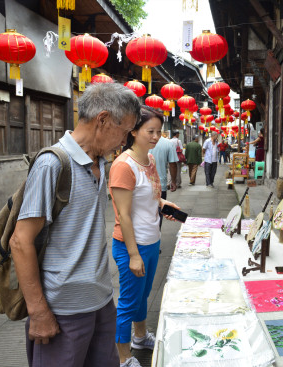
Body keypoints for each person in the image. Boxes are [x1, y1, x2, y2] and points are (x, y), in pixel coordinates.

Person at [10, 82, 140, 367]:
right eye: (125, 130)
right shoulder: (52, 165)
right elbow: (20, 242)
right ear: (103, 120)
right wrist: (39, 312)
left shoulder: (101, 162)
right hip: (63, 309)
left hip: (101, 301)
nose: (126, 140)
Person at [109, 106, 181, 367]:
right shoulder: (122, 166)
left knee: (143, 295)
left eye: (159, 132)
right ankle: (123, 357)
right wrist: (133, 255)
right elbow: (124, 215)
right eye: (150, 131)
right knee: (128, 302)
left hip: (152, 241)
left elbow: (149, 195)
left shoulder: (149, 161)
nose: (155, 136)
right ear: (134, 131)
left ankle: (140, 338)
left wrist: (163, 204)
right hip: (132, 245)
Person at [150, 131, 178, 229]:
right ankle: (157, 234)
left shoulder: (142, 141)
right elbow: (172, 164)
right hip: (161, 185)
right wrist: (173, 181)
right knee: (159, 214)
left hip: (143, 185)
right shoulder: (168, 143)